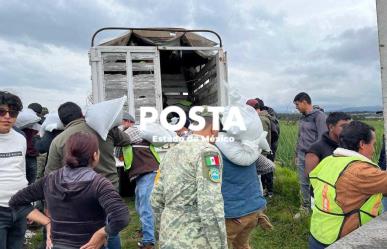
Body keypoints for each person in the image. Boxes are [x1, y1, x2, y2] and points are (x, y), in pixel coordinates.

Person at [9, 132, 130, 249]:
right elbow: (121, 217)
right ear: (95, 155)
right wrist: (102, 233)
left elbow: (15, 201)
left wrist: (46, 222)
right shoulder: (99, 184)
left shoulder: (50, 180)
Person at [45, 102, 132, 248]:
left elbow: (50, 175)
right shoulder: (103, 127)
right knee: (111, 228)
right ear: (82, 114)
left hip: (78, 193)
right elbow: (126, 140)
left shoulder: (58, 141)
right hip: (109, 185)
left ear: (61, 121)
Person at [151, 107, 228, 249]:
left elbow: (155, 199)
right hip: (195, 240)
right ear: (214, 128)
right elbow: (210, 203)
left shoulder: (171, 152)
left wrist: (159, 233)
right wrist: (220, 245)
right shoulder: (208, 152)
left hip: (168, 236)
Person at [309, 121, 387, 248]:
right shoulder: (360, 171)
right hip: (342, 239)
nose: (373, 150)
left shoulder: (329, 160)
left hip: (319, 233)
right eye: (373, 145)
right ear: (362, 144)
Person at [220, 139, 269, 249]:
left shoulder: (216, 150)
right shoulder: (249, 147)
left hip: (233, 214)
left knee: (221, 245)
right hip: (254, 209)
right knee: (242, 245)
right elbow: (269, 166)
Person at [120, 113, 160, 249]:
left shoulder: (133, 132)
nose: (119, 126)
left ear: (127, 122)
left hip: (148, 174)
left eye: (120, 122)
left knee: (145, 208)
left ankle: (149, 241)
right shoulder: (132, 138)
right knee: (139, 206)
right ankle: (146, 231)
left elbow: (119, 140)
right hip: (141, 176)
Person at [0, 91, 31, 248]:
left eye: (12, 112)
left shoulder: (20, 138)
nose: (7, 116)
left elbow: (21, 170)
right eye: (1, 112)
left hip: (19, 208)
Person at [293, 92, 327, 215]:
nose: (296, 107)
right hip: (302, 155)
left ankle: (319, 208)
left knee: (316, 182)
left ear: (304, 102)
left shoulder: (319, 116)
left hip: (314, 156)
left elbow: (323, 138)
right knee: (303, 182)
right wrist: (296, 154)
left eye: (297, 104)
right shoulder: (302, 118)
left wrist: (317, 156)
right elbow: (299, 137)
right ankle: (304, 208)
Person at [246, 98, 274, 197]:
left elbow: (261, 138)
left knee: (257, 177)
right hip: (259, 151)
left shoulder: (261, 119)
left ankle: (260, 198)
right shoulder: (260, 117)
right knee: (258, 177)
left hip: (260, 152)